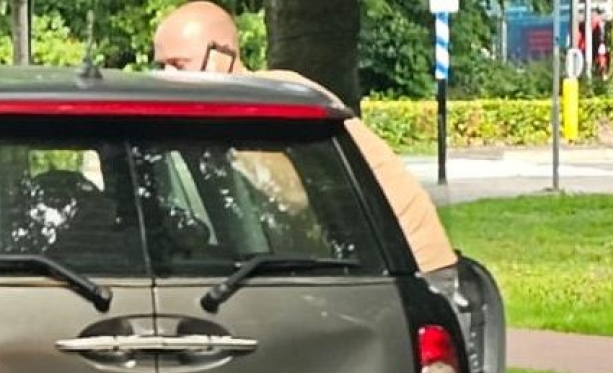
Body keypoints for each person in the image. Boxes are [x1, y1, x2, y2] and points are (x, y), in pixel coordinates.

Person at [152, 1, 460, 292]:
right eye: (161, 66)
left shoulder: (276, 99)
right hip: (365, 269)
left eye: (179, 65)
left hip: (413, 270)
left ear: (223, 54)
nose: (167, 77)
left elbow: (293, 200)